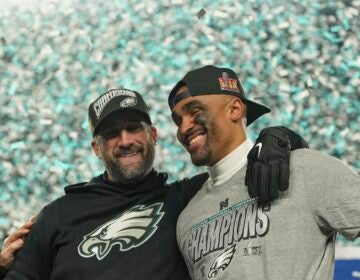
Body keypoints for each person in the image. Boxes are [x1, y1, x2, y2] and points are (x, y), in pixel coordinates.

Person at [2, 88, 306, 279]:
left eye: (134, 128)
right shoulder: (57, 214)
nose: (125, 141)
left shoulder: (190, 198)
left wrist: (279, 138)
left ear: (154, 136)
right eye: (111, 134)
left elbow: (247, 165)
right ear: (97, 148)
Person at [169, 65, 360, 279]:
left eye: (194, 111)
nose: (183, 128)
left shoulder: (303, 168)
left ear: (234, 109)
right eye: (178, 120)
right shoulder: (187, 218)